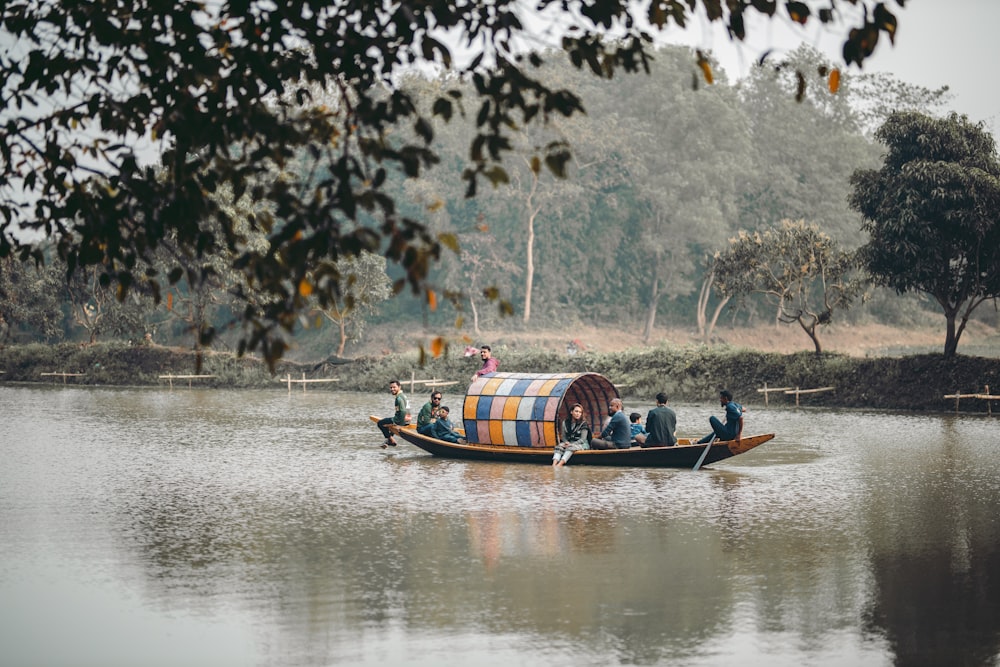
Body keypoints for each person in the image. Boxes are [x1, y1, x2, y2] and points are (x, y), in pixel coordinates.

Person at [376, 380, 410, 448]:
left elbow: (403, 411)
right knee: (389, 424)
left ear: (399, 387)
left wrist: (399, 425)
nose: (392, 389)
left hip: (400, 420)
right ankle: (389, 441)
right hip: (407, 420)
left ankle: (391, 440)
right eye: (391, 388)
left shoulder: (399, 398)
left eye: (394, 387)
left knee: (380, 423)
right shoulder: (403, 396)